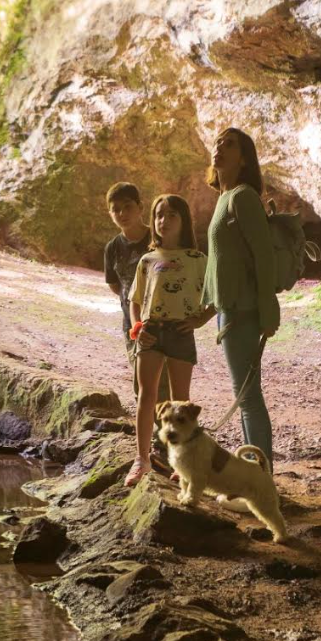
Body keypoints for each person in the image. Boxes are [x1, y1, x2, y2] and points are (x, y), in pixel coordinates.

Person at [202, 127, 280, 469]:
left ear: (244, 159)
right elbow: (221, 263)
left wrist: (268, 311)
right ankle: (256, 474)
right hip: (229, 310)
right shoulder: (224, 197)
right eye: (217, 142)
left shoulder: (243, 197)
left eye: (229, 144)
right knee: (245, 396)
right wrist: (206, 310)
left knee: (248, 399)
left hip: (243, 312)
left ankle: (261, 477)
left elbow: (263, 257)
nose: (219, 147)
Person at [124, 194, 212, 486]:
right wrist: (137, 328)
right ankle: (142, 460)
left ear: (184, 220)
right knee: (146, 396)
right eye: (159, 215)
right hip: (150, 333)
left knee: (180, 402)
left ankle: (182, 461)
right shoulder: (147, 260)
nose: (164, 220)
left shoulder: (198, 260)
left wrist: (200, 320)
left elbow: (217, 297)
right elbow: (135, 300)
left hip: (181, 334)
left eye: (172, 214)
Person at [102, 182, 169, 409]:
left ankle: (165, 424)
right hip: (132, 324)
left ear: (140, 207)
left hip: (163, 321)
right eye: (116, 209)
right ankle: (149, 424)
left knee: (162, 380)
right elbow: (115, 285)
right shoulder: (112, 248)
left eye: (127, 206)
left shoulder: (158, 240)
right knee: (142, 379)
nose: (122, 213)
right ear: (110, 213)